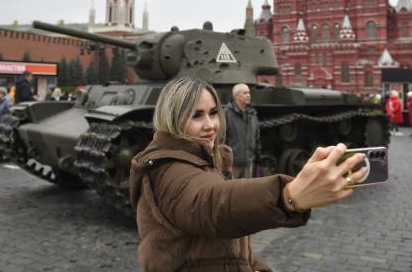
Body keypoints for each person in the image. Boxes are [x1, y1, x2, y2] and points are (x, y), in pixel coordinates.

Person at [129, 77, 367, 272]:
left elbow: (230, 251)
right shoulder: (168, 169)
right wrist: (288, 195)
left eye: (213, 113)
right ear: (171, 118)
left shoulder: (203, 159)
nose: (211, 125)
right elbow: (211, 203)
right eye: (196, 115)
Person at [224, 83, 260, 178]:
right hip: (232, 164)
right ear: (236, 96)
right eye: (245, 93)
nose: (248, 95)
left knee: (247, 191)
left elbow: (256, 137)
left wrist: (256, 157)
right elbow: (221, 139)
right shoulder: (226, 114)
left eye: (249, 92)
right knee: (231, 190)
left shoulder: (252, 114)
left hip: (248, 163)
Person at [0, 87, 13, 163]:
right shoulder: (1, 100)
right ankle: (5, 157)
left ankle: (2, 158)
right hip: (1, 124)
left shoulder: (7, 101)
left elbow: (11, 112)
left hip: (5, 125)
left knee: (2, 140)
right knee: (3, 141)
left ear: (2, 94)